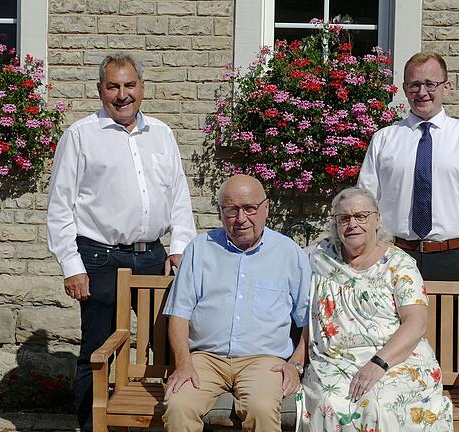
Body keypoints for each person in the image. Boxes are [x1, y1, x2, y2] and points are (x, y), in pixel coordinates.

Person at [46, 53, 196, 432]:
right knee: (96, 352)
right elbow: (60, 208)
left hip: (154, 256)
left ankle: (164, 420)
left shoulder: (161, 134)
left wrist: (179, 247)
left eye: (129, 85)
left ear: (142, 88)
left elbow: (178, 197)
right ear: (101, 91)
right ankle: (89, 425)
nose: (122, 94)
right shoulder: (80, 136)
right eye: (113, 86)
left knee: (165, 346)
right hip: (99, 259)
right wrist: (72, 266)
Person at [292, 186, 453, 432]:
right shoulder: (318, 259)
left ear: (377, 219)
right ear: (336, 224)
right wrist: (295, 362)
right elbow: (308, 318)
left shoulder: (399, 264)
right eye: (344, 218)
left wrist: (378, 363)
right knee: (330, 403)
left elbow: (416, 322)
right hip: (334, 361)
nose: (352, 224)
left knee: (382, 404)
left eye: (361, 216)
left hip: (394, 358)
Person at [162, 174, 311, 432]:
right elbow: (178, 315)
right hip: (205, 359)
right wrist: (184, 363)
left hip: (264, 360)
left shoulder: (289, 253)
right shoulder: (200, 249)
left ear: (266, 208)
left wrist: (295, 364)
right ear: (221, 213)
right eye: (232, 210)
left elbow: (310, 319)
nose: (241, 219)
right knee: (179, 406)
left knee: (262, 409)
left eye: (250, 208)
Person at [358, 52, 459, 302]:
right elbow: (364, 203)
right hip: (393, 256)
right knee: (392, 337)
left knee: (447, 337)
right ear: (405, 88)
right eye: (414, 84)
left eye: (430, 84)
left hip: (449, 260)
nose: (422, 92)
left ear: (446, 87)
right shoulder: (384, 139)